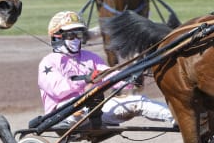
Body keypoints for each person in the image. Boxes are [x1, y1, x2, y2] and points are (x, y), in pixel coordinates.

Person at [37, 10, 175, 127]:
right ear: (57, 36)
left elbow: (109, 75)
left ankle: (177, 119)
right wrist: (86, 79)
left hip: (94, 110)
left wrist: (129, 79)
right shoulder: (49, 62)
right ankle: (89, 110)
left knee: (137, 101)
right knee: (88, 102)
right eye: (70, 35)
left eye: (79, 35)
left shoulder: (89, 57)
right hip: (63, 115)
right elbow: (58, 90)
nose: (76, 39)